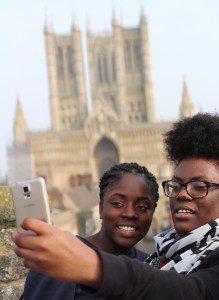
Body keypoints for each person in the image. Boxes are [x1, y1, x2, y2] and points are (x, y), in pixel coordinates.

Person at [12, 113, 219, 300]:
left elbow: (191, 292)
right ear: (100, 207)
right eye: (177, 185)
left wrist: (90, 264)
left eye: (199, 186)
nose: (182, 194)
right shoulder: (160, 256)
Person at [20, 162, 159, 299]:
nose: (130, 213)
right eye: (117, 204)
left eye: (142, 207)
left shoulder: (151, 267)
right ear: (100, 209)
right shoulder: (58, 256)